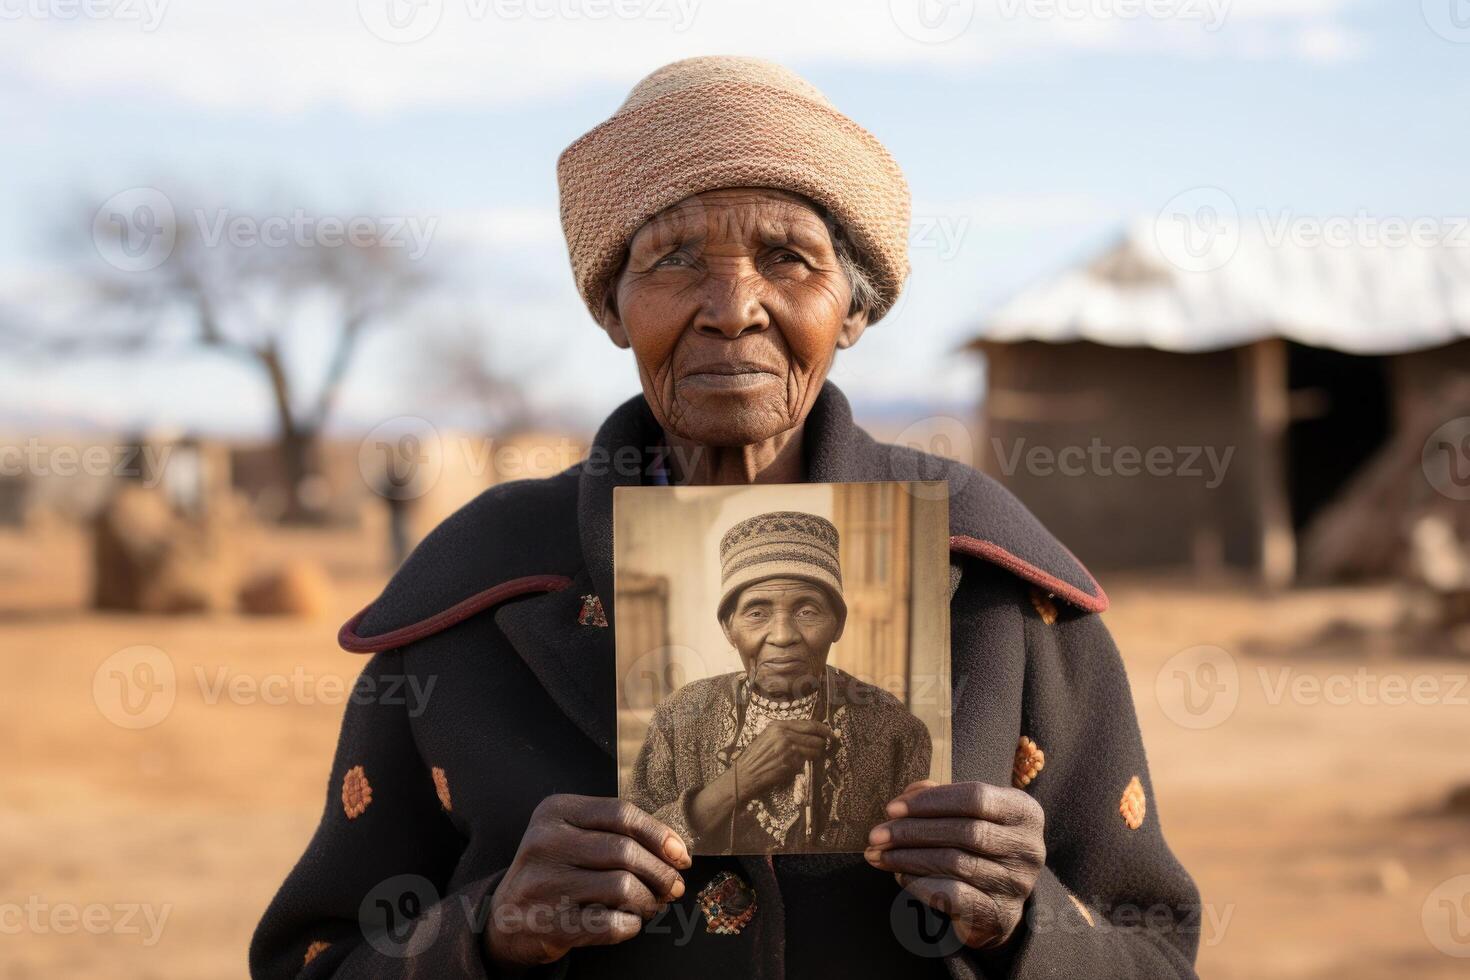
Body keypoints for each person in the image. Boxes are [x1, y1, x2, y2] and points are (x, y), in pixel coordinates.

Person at [251, 56, 1200, 979]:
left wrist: (1026, 927)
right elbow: (312, 960)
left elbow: (1155, 954)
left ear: (853, 308)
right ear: (612, 306)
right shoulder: (474, 594)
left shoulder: (995, 586)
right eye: (672, 260)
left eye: (788, 258)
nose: (732, 307)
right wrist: (487, 933)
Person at [627, 511, 931, 854]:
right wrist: (740, 780)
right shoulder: (680, 715)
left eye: (807, 611)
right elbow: (633, 847)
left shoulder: (892, 727)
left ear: (838, 624)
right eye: (757, 612)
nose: (783, 636)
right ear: (729, 628)